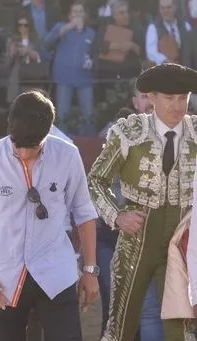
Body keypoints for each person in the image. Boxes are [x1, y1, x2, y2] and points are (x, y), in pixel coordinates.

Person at [0, 90, 99, 341]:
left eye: (34, 146)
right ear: (9, 127)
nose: (25, 154)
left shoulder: (67, 154)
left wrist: (90, 270)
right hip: (3, 279)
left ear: (49, 133)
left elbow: (83, 211)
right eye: (19, 145)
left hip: (56, 273)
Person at [88, 63, 197, 341]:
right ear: (152, 97)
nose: (177, 106)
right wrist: (117, 216)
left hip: (181, 242)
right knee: (120, 327)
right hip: (136, 241)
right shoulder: (130, 132)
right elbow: (96, 180)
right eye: (169, 98)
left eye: (182, 98)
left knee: (182, 332)